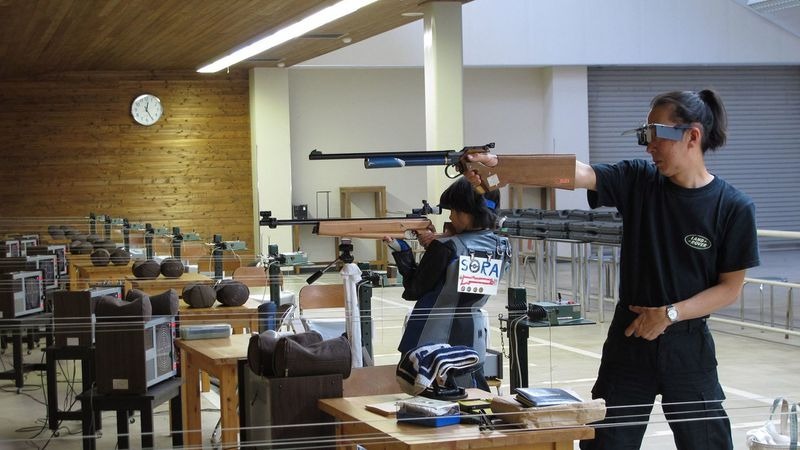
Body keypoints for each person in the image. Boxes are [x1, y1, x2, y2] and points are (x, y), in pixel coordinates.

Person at [466, 89, 759, 449]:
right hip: (629, 341)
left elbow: (730, 288)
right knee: (608, 442)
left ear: (692, 136)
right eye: (644, 136)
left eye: (656, 135)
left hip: (688, 345)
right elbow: (580, 173)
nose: (649, 147)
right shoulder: (639, 180)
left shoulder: (732, 207)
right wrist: (502, 166)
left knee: (707, 442)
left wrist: (670, 314)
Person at [385, 177, 509, 392]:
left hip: (430, 333)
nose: (450, 216)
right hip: (472, 333)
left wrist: (403, 250)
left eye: (454, 211)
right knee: (471, 392)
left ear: (468, 212)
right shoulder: (503, 246)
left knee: (426, 394)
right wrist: (441, 239)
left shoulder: (445, 247)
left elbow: (414, 289)